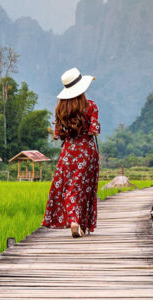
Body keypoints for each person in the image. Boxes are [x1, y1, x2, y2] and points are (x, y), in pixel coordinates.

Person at [42, 67, 100, 238]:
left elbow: (58, 134)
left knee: (70, 187)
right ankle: (78, 222)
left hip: (68, 152)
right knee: (85, 187)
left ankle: (75, 222)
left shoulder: (60, 109)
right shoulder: (91, 106)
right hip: (87, 152)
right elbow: (94, 130)